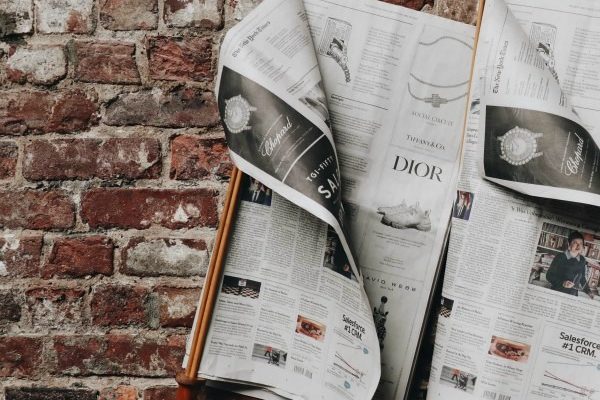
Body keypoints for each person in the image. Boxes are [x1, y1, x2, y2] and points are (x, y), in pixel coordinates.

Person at [545, 231, 587, 297]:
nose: (578, 246)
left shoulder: (582, 260)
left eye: (581, 243)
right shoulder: (560, 257)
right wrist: (563, 283)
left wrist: (589, 292)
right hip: (558, 292)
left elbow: (582, 278)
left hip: (573, 295)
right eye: (575, 242)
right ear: (569, 244)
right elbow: (549, 276)